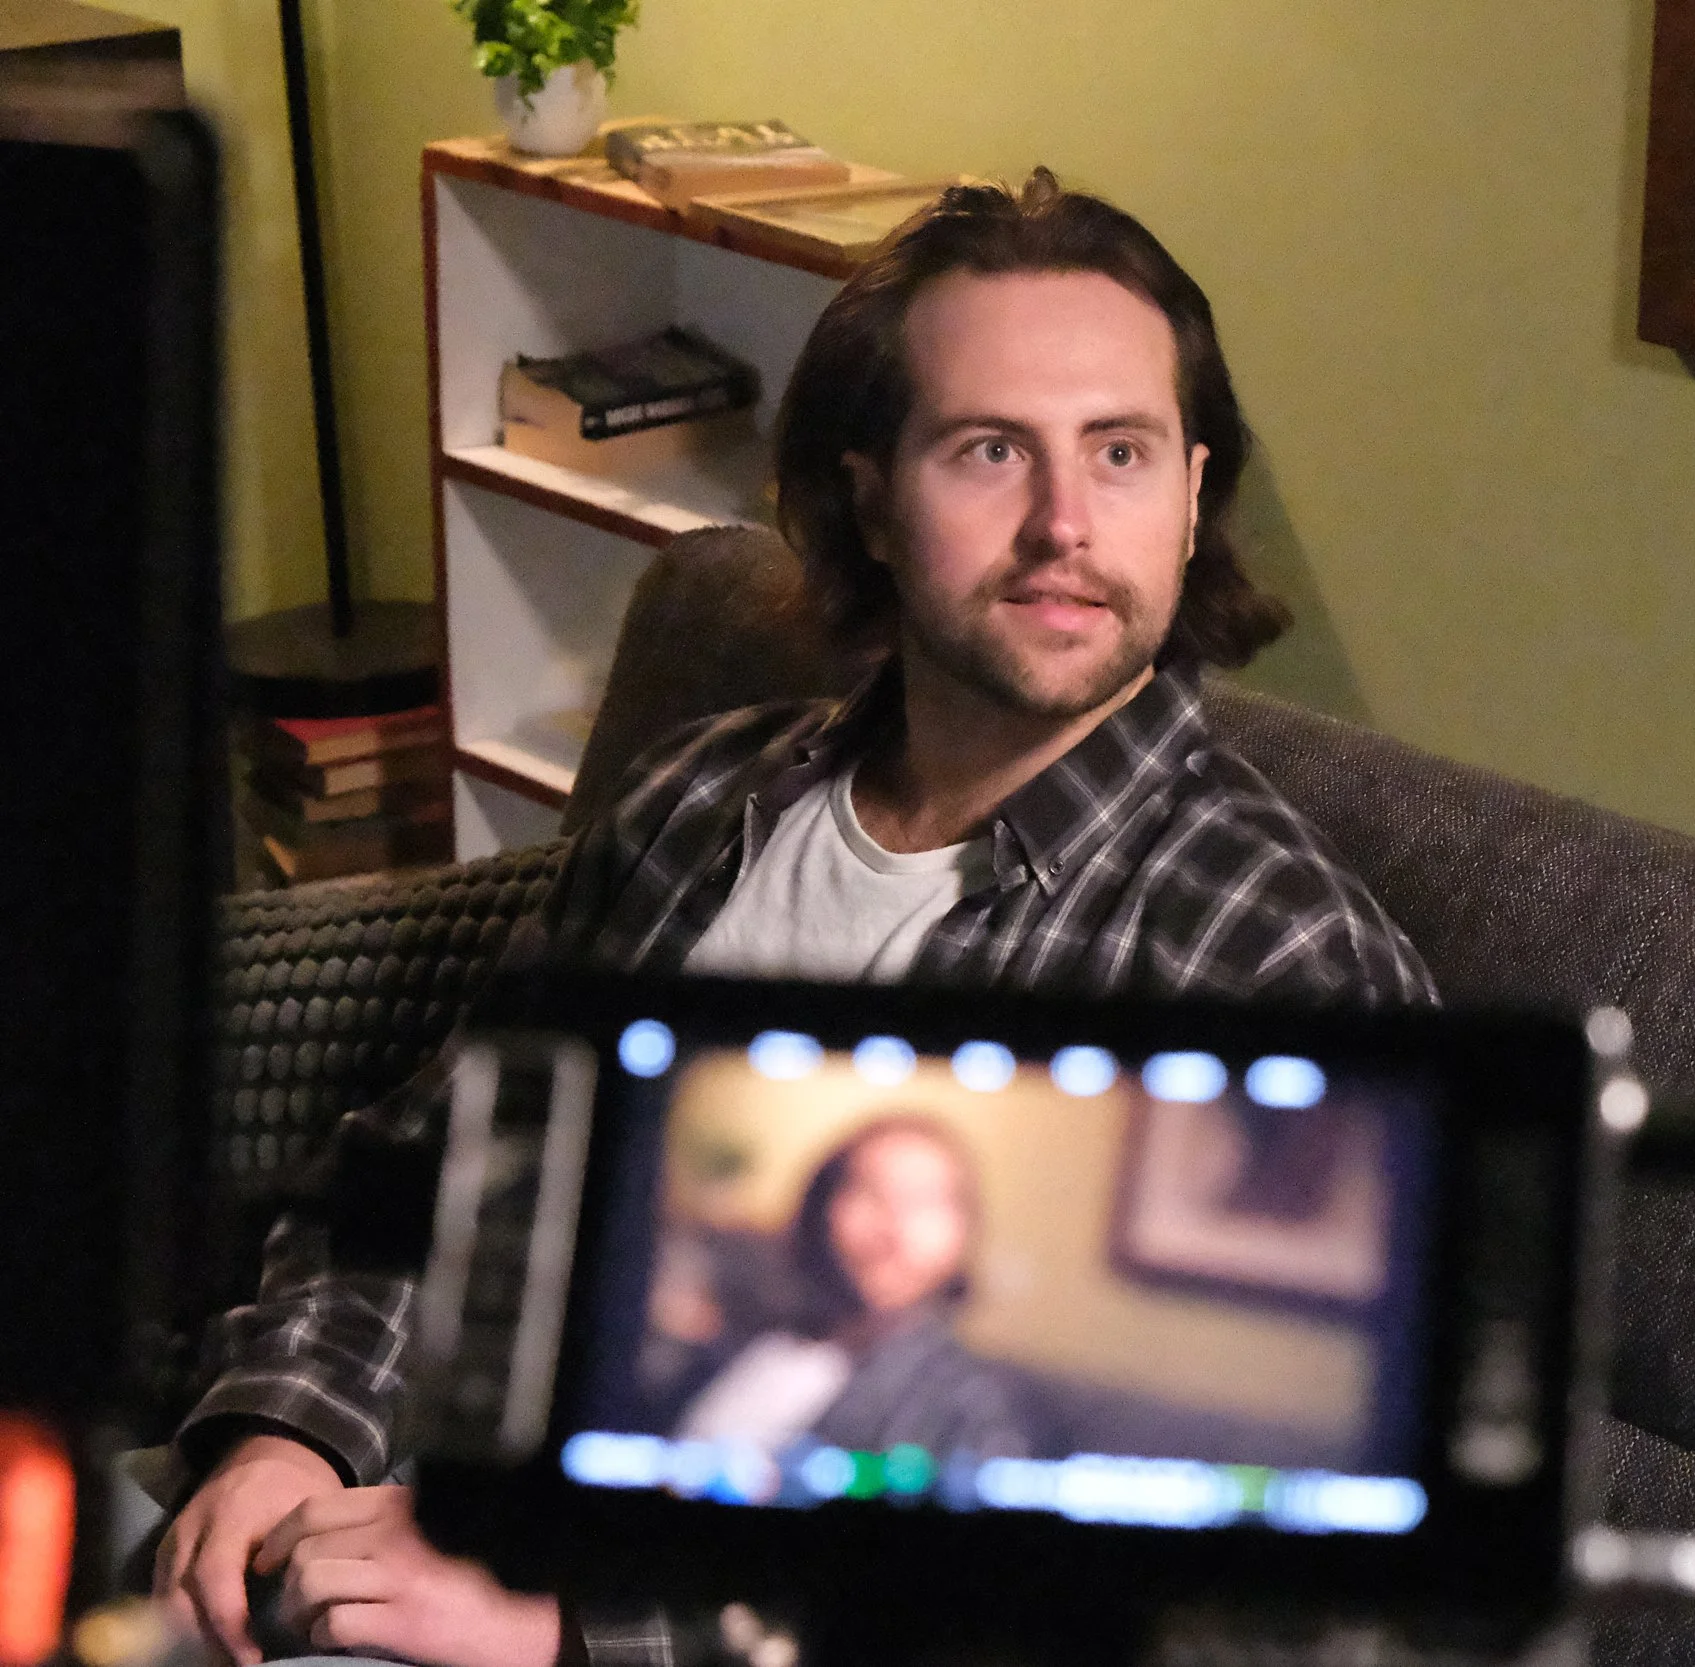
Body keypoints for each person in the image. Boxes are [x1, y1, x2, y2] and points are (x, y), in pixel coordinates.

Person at [152, 167, 1437, 1667]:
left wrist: (583, 1614)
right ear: (868, 500)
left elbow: (1257, 1612)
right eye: (987, 450)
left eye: (1121, 452)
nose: (1064, 523)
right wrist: (282, 1434)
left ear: (1193, 492)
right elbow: (433, 1181)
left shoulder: (1279, 966)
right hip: (375, 1543)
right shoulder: (703, 806)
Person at [663, 1117, 1026, 1464]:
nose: (893, 1227)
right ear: (822, 1207)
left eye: (925, 1200)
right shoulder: (748, 1337)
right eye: (870, 1191)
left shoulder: (969, 1408)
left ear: (963, 1232)